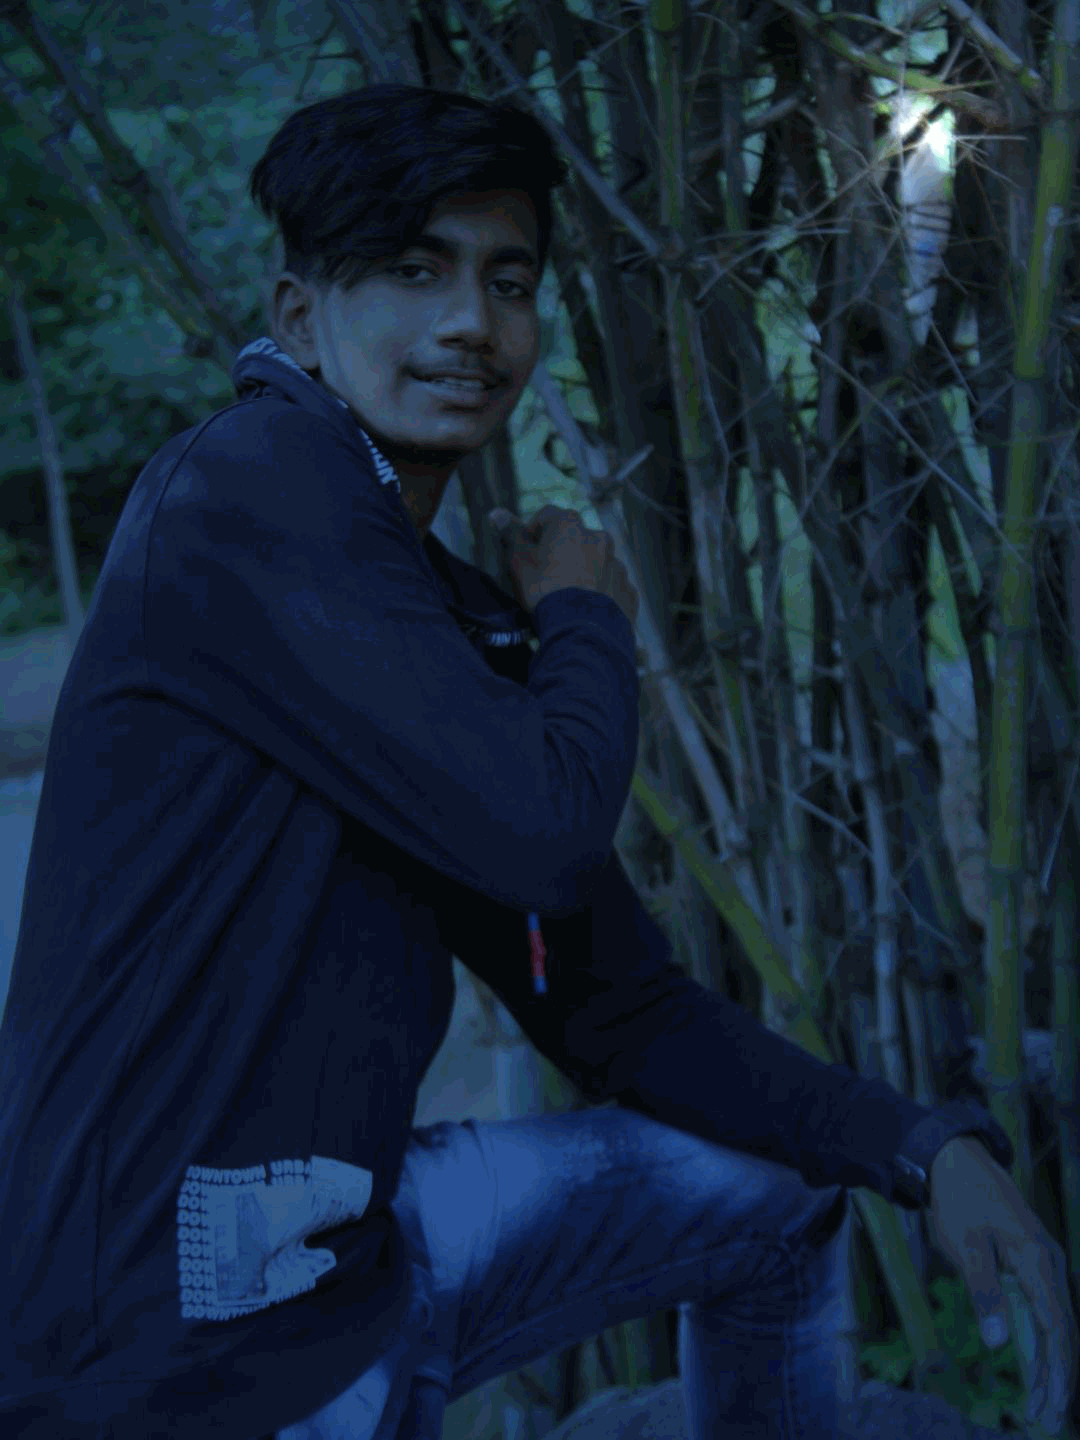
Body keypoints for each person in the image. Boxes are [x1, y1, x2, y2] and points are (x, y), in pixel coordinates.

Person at [0, 83, 1074, 1440]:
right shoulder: (244, 486)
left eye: (507, 282)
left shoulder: (430, 614)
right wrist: (581, 619)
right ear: (299, 320)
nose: (471, 322)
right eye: (413, 270)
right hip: (168, 1351)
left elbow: (617, 1009)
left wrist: (919, 1147)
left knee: (780, 1193)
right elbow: (542, 832)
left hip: (350, 1267)